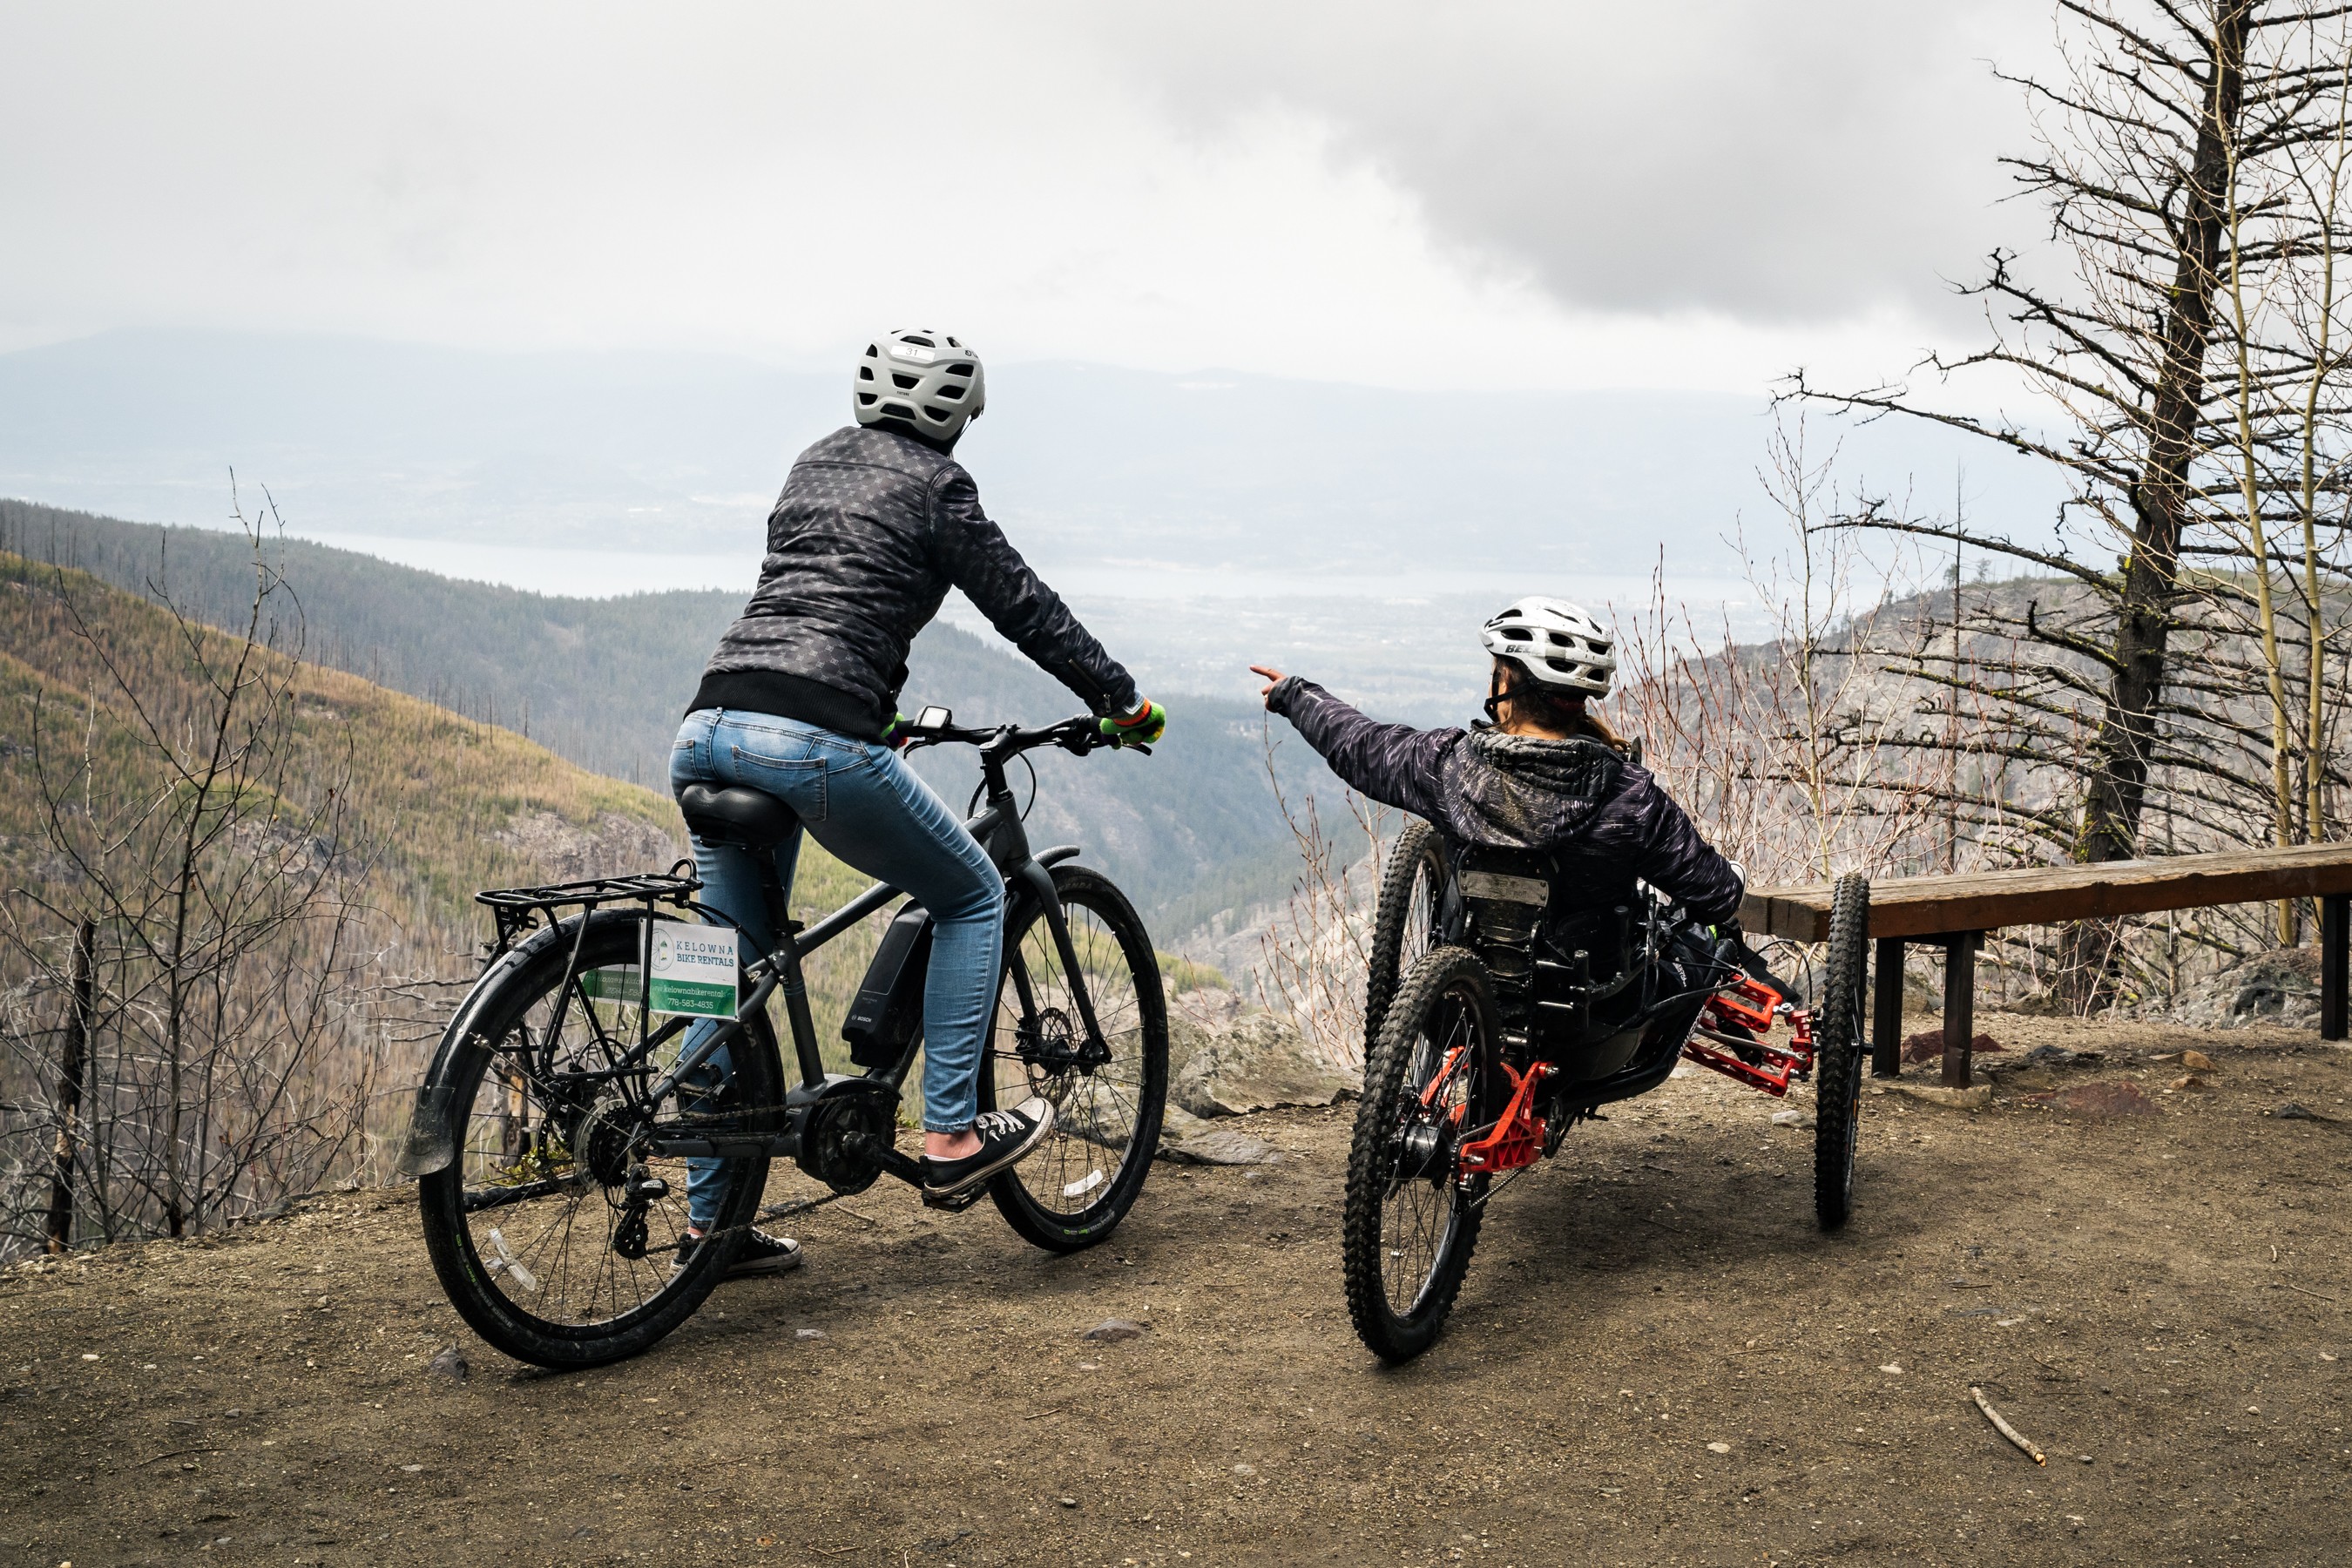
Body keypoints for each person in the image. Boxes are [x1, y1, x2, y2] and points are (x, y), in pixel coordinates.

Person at [671, 329, 1166, 1277]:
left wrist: (878, 712)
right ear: (956, 416)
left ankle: (709, 1231)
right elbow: (1022, 605)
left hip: (710, 724)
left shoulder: (812, 462)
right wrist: (1118, 698)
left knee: (719, 974)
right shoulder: (942, 488)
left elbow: (819, 599)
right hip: (813, 737)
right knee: (975, 893)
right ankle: (949, 1139)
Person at [1251, 594, 1742, 958]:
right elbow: (1717, 892)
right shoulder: (1630, 798)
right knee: (1702, 938)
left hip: (1469, 1007)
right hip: (1592, 1029)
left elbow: (1359, 744)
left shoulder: (1447, 765)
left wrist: (1295, 695)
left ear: (1506, 682)